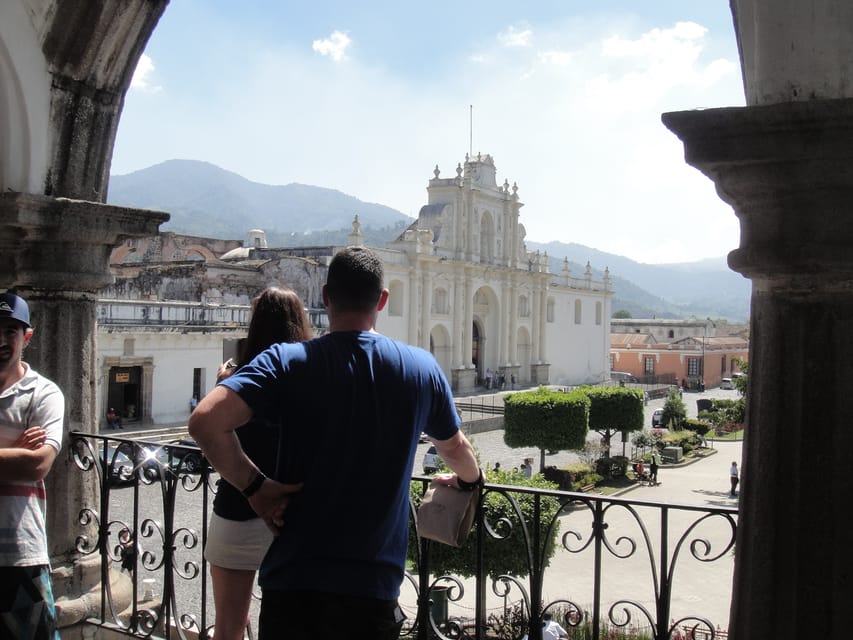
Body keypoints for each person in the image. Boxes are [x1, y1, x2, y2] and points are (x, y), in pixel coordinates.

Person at [188, 247, 481, 639]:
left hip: (293, 585)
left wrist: (255, 488)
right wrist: (469, 480)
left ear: (326, 297)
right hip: (371, 588)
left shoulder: (285, 360)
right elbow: (456, 449)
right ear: (382, 299)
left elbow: (206, 423)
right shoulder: (421, 367)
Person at [205, 287, 313, 640]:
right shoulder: (310, 377)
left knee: (228, 628)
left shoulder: (239, 379)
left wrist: (222, 386)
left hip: (236, 507)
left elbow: (211, 432)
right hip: (288, 516)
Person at [0, 292, 65, 640]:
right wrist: (13, 452)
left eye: (10, 331)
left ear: (27, 337)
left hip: (21, 555)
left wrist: (26, 458)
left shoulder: (44, 394)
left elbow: (38, 464)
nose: (0, 339)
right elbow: (23, 463)